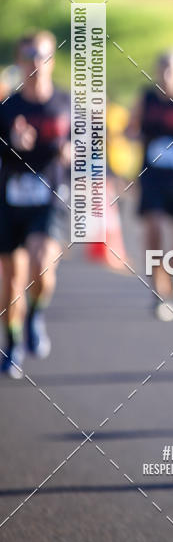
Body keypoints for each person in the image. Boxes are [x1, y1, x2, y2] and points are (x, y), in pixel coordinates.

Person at [0, 31, 70, 380]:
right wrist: (11, 144)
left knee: (42, 265)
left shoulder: (67, 105)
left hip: (49, 198)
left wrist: (73, 154)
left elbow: (92, 151)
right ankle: (12, 344)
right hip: (10, 201)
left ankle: (35, 315)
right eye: (28, 56)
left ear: (51, 60)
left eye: (42, 55)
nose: (36, 63)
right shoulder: (7, 108)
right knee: (10, 283)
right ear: (20, 61)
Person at [128, 49, 173, 321]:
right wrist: (130, 133)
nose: (167, 76)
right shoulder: (147, 98)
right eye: (163, 69)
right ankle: (159, 294)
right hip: (152, 179)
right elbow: (130, 126)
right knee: (154, 231)